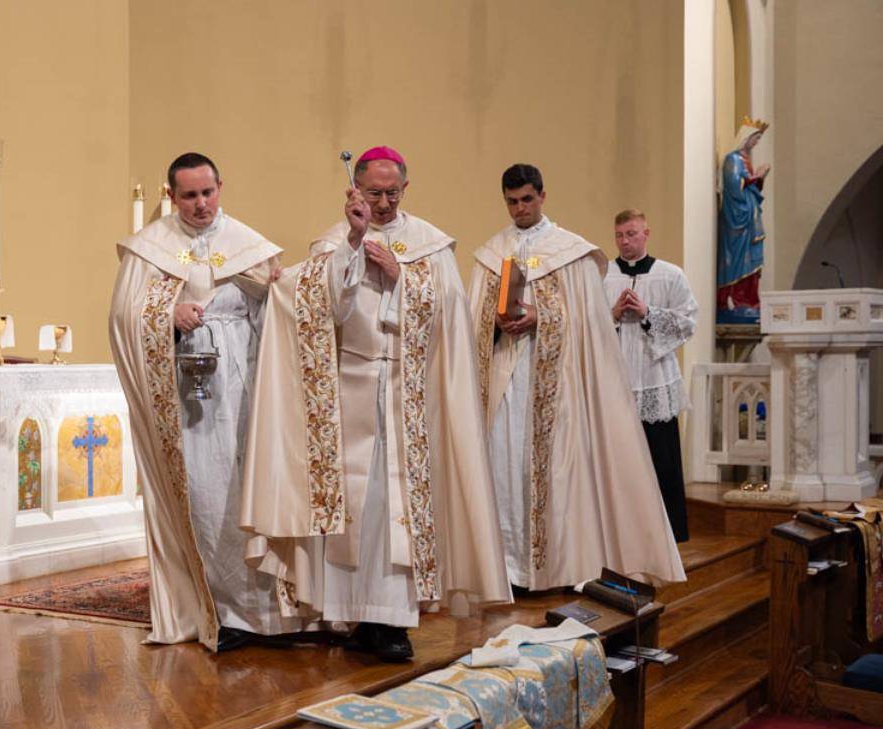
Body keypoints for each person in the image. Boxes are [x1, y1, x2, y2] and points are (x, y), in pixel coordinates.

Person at [242, 146, 511, 662]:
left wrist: (400, 277)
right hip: (350, 393)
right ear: (355, 190)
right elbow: (315, 305)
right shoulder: (335, 239)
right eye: (373, 193)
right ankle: (346, 611)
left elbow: (450, 313)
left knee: (397, 509)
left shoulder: (429, 245)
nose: (384, 203)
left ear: (405, 189)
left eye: (392, 193)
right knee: (356, 509)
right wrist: (352, 244)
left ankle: (389, 620)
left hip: (410, 396)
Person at [469, 164, 684, 590]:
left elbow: (590, 323)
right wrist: (496, 321)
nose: (520, 208)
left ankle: (558, 567)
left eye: (527, 199)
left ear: (543, 196)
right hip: (506, 379)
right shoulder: (492, 253)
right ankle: (509, 569)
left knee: (556, 472)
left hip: (555, 381)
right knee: (505, 465)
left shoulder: (570, 252)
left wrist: (539, 316)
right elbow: (473, 316)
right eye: (512, 202)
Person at [109, 152, 285, 652]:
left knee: (247, 493)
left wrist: (278, 292)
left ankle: (265, 613)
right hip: (190, 395)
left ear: (220, 186)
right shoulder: (152, 248)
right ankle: (217, 610)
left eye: (208, 192)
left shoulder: (247, 244)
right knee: (207, 498)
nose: (202, 204)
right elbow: (124, 317)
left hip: (247, 386)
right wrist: (167, 314)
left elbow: (283, 311)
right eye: (189, 196)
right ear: (172, 196)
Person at [605, 209, 697, 542]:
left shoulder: (670, 275)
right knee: (619, 461)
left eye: (631, 234)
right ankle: (623, 532)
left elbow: (688, 322)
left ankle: (669, 532)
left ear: (646, 233)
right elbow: (587, 327)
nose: (624, 241)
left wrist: (647, 314)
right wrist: (612, 316)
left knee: (662, 459)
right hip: (616, 382)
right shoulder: (603, 276)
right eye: (619, 235)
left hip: (654, 377)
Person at [717, 117, 769, 324]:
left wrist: (759, 178)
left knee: (754, 255)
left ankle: (749, 300)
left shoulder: (746, 160)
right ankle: (734, 299)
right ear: (746, 137)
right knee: (738, 258)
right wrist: (756, 176)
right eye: (754, 138)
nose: (756, 143)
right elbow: (732, 184)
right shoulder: (732, 159)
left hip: (750, 215)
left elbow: (752, 188)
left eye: (758, 139)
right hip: (737, 218)